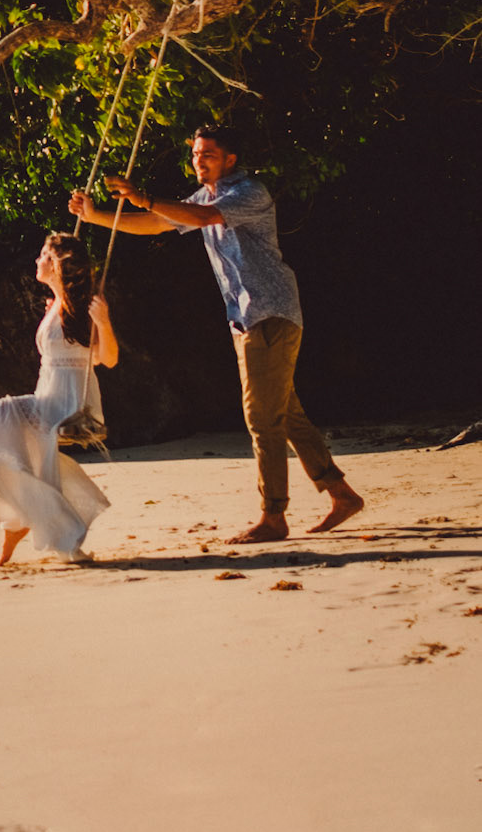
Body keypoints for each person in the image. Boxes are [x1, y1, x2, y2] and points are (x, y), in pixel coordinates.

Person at [68, 123, 364, 544]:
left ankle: (273, 517)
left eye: (208, 154)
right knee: (286, 414)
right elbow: (157, 223)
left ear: (230, 160)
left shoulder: (249, 193)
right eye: (195, 154)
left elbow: (206, 218)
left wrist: (144, 195)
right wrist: (95, 214)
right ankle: (342, 495)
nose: (199, 161)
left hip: (270, 311)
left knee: (261, 418)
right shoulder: (202, 197)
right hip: (245, 317)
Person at [0, 234, 119, 563]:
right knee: (16, 454)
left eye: (44, 255)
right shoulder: (57, 305)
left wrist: (104, 321)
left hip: (66, 402)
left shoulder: (84, 308)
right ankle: (14, 523)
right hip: (47, 396)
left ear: (57, 264)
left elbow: (107, 358)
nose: (37, 260)